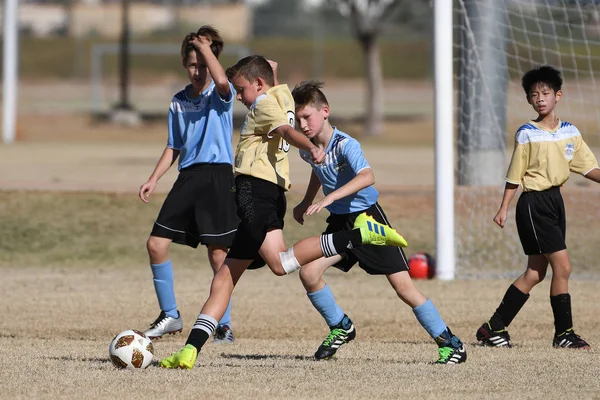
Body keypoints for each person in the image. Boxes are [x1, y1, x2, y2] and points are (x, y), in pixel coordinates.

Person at [159, 56, 407, 369]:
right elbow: (277, 96)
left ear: (258, 85)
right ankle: (190, 350)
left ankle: (358, 235)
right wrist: (272, 72)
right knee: (225, 276)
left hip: (254, 192)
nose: (238, 97)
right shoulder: (278, 98)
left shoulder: (263, 105)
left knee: (280, 264)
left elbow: (287, 132)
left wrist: (311, 145)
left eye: (241, 90)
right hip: (266, 193)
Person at [290, 81, 467, 364]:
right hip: (340, 223)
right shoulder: (306, 149)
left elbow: (367, 177)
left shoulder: (346, 144)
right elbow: (317, 172)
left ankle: (450, 343)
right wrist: (305, 201)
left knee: (404, 288)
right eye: (297, 120)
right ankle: (341, 327)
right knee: (309, 273)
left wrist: (329, 197)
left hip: (368, 221)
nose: (302, 124)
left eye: (306, 117)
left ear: (325, 111)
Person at [476, 65, 599, 350]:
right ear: (530, 100)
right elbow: (514, 174)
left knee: (535, 273)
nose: (540, 99)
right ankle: (564, 334)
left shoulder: (570, 132)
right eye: (534, 95)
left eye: (545, 93)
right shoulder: (527, 133)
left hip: (556, 202)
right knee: (563, 267)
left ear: (558, 95)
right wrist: (503, 208)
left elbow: (589, 167)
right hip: (533, 204)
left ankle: (493, 328)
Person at [139, 26, 238, 344]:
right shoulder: (179, 101)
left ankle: (222, 323)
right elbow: (174, 146)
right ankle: (170, 316)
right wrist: (154, 178)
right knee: (156, 244)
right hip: (188, 177)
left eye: (204, 64)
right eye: (193, 64)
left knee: (218, 255)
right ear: (184, 64)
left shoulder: (221, 94)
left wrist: (206, 49)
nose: (199, 71)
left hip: (218, 177)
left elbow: (222, 80)